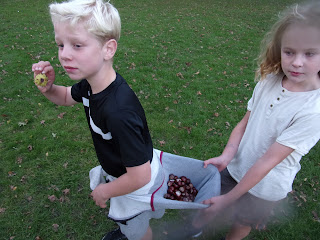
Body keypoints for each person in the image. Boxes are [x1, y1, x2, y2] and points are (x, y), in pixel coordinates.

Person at [31, 1, 221, 240]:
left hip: (135, 186)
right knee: (131, 225)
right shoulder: (92, 84)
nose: (64, 54)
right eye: (61, 44)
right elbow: (68, 96)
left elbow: (139, 176)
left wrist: (105, 191)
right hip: (125, 173)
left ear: (108, 49)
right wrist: (48, 89)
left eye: (77, 45)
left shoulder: (118, 112)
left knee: (137, 228)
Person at [192, 1, 320, 240]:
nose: (297, 62)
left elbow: (268, 161)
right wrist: (227, 155)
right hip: (236, 166)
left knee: (242, 222)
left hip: (266, 187)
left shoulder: (313, 111)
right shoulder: (270, 79)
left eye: (310, 53)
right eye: (289, 51)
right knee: (208, 203)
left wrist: (228, 200)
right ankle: (195, 230)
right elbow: (245, 123)